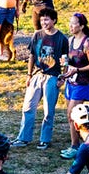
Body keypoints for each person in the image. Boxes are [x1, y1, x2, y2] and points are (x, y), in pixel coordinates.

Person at [18, 9, 69, 147]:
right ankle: (23, 138)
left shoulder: (62, 39)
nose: (44, 22)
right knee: (28, 107)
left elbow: (65, 60)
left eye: (46, 19)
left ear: (54, 20)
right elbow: (32, 56)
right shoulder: (37, 35)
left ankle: (45, 139)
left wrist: (62, 78)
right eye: (41, 20)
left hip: (52, 77)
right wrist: (29, 75)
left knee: (48, 111)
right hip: (37, 75)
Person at [61, 13, 89, 154]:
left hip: (82, 84)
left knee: (73, 115)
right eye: (70, 23)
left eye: (74, 23)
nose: (71, 26)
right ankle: (82, 143)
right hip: (70, 82)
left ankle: (75, 146)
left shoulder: (87, 43)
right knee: (70, 115)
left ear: (81, 26)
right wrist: (64, 71)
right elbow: (68, 62)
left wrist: (78, 69)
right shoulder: (70, 40)